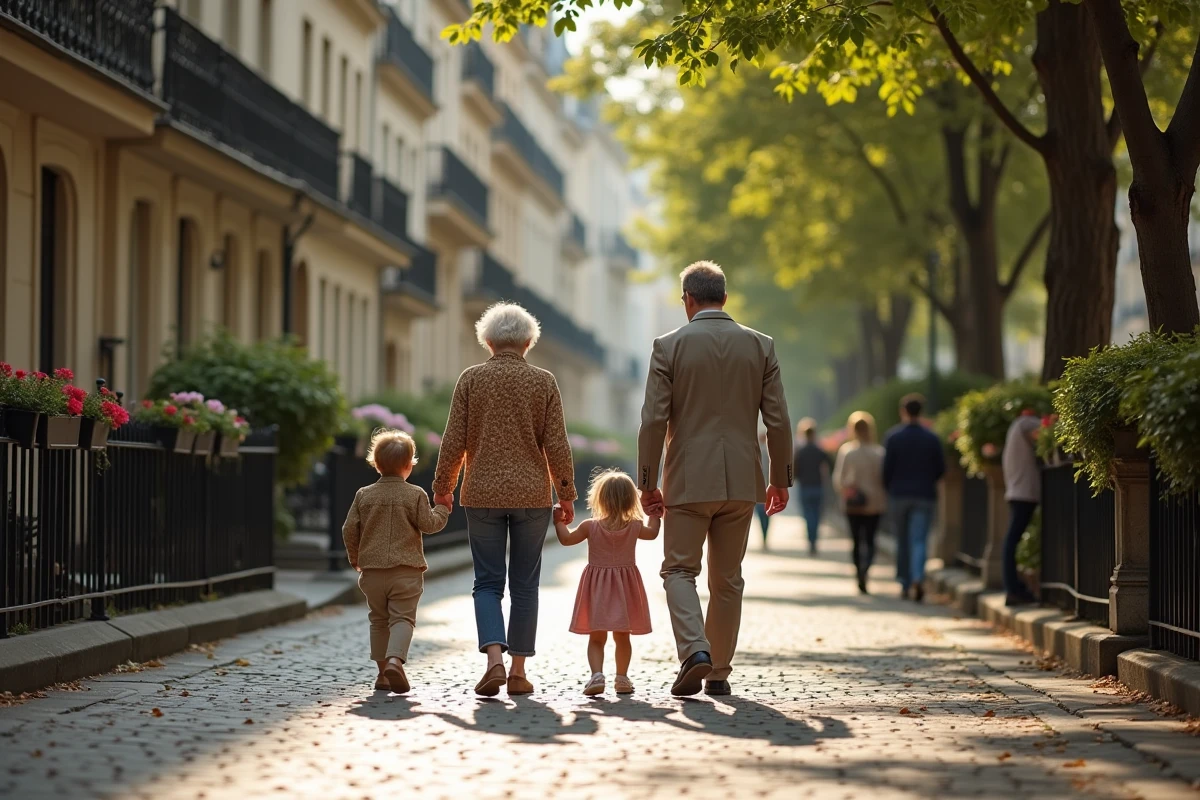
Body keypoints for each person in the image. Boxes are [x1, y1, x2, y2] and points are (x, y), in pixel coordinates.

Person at [637, 260, 793, 697]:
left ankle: (695, 651)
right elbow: (778, 421)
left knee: (678, 570)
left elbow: (653, 420)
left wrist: (647, 481)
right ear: (725, 298)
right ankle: (719, 671)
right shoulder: (760, 345)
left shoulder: (669, 346)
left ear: (687, 300)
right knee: (728, 578)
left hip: (687, 477)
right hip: (743, 478)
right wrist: (779, 478)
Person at [433, 302, 577, 698]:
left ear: (489, 340)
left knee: (487, 582)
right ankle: (517, 671)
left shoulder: (471, 379)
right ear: (529, 342)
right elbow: (557, 445)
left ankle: (493, 660)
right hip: (532, 495)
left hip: (481, 493)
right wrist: (565, 493)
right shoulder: (544, 381)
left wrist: (443, 486)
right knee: (526, 585)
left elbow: (453, 440)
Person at [342, 429, 450, 694]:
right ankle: (395, 660)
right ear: (408, 465)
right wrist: (444, 509)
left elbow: (349, 529)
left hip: (372, 571)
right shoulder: (415, 494)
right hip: (406, 570)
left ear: (376, 464)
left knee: (378, 620)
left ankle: (382, 675)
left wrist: (356, 558)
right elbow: (429, 524)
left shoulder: (363, 495)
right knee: (402, 619)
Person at [553, 469, 661, 696]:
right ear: (631, 500)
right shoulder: (634, 526)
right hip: (625, 588)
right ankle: (622, 678)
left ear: (599, 498)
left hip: (597, 588)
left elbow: (566, 539)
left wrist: (558, 522)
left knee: (596, 637)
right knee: (623, 636)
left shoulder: (589, 526)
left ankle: (596, 675)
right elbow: (652, 533)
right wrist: (654, 514)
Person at [882, 394, 945, 602]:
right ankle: (918, 577)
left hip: (899, 495)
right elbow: (940, 469)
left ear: (903, 411)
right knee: (919, 540)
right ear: (921, 412)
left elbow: (886, 470)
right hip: (924, 494)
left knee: (902, 541)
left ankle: (904, 581)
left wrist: (889, 487)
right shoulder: (931, 438)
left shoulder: (893, 437)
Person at [832, 412, 886, 594]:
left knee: (856, 541)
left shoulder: (847, 451)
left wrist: (847, 490)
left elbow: (838, 479)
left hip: (853, 503)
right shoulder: (879, 452)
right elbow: (884, 479)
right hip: (875, 503)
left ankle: (858, 572)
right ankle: (866, 568)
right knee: (870, 540)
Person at [1002, 411, 1043, 606]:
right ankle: (1014, 588)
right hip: (1024, 492)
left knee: (1011, 541)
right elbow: (1043, 435)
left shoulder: (1014, 428)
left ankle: (1015, 588)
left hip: (1016, 491)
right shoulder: (1026, 422)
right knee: (1011, 541)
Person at [792, 417, 832, 554]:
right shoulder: (820, 451)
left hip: (804, 486)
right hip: (818, 486)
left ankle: (811, 540)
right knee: (816, 514)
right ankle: (814, 539)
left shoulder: (800, 451)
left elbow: (794, 470)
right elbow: (830, 464)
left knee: (808, 514)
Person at [756, 430, 773, 549]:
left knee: (761, 514)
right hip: (769, 487)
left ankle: (764, 536)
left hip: (758, 488)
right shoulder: (769, 453)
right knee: (767, 514)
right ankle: (765, 535)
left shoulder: (755, 453)